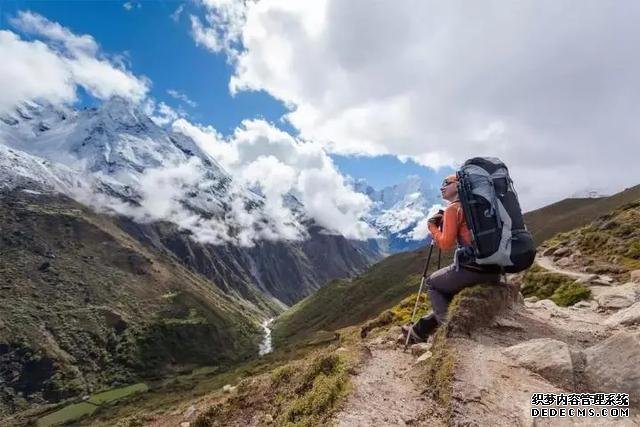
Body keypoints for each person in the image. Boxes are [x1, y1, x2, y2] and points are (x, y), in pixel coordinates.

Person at [402, 174, 501, 343]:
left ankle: (450, 332)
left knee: (433, 284)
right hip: (494, 269)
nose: (442, 187)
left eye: (446, 183)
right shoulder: (480, 206)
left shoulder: (453, 209)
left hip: (472, 269)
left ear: (458, 185)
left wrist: (433, 227)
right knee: (448, 289)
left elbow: (445, 244)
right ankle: (420, 330)